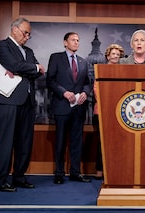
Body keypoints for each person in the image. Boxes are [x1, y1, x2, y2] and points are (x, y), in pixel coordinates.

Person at [0, 18, 46, 192]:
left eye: (29, 34)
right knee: (6, 141)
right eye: (25, 32)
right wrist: (32, 68)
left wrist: (26, 69)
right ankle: (0, 181)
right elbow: (14, 64)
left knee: (25, 141)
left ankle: (19, 177)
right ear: (14, 29)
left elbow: (36, 72)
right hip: (8, 100)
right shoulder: (2, 45)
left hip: (27, 101)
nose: (28, 36)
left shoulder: (28, 51)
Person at [47, 32, 91, 184]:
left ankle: (75, 172)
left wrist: (85, 92)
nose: (76, 42)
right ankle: (59, 173)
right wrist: (64, 92)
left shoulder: (83, 62)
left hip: (78, 108)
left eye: (78, 40)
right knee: (60, 141)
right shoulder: (56, 58)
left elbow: (87, 82)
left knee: (76, 141)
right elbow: (50, 80)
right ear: (65, 42)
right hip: (61, 106)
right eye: (73, 40)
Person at [93, 44, 125, 180]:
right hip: (102, 111)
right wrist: (109, 104)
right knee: (102, 142)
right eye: (113, 54)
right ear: (107, 55)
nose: (116, 57)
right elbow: (96, 90)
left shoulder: (124, 72)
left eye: (118, 55)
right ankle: (100, 170)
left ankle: (115, 169)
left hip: (118, 113)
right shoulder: (101, 70)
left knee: (118, 143)